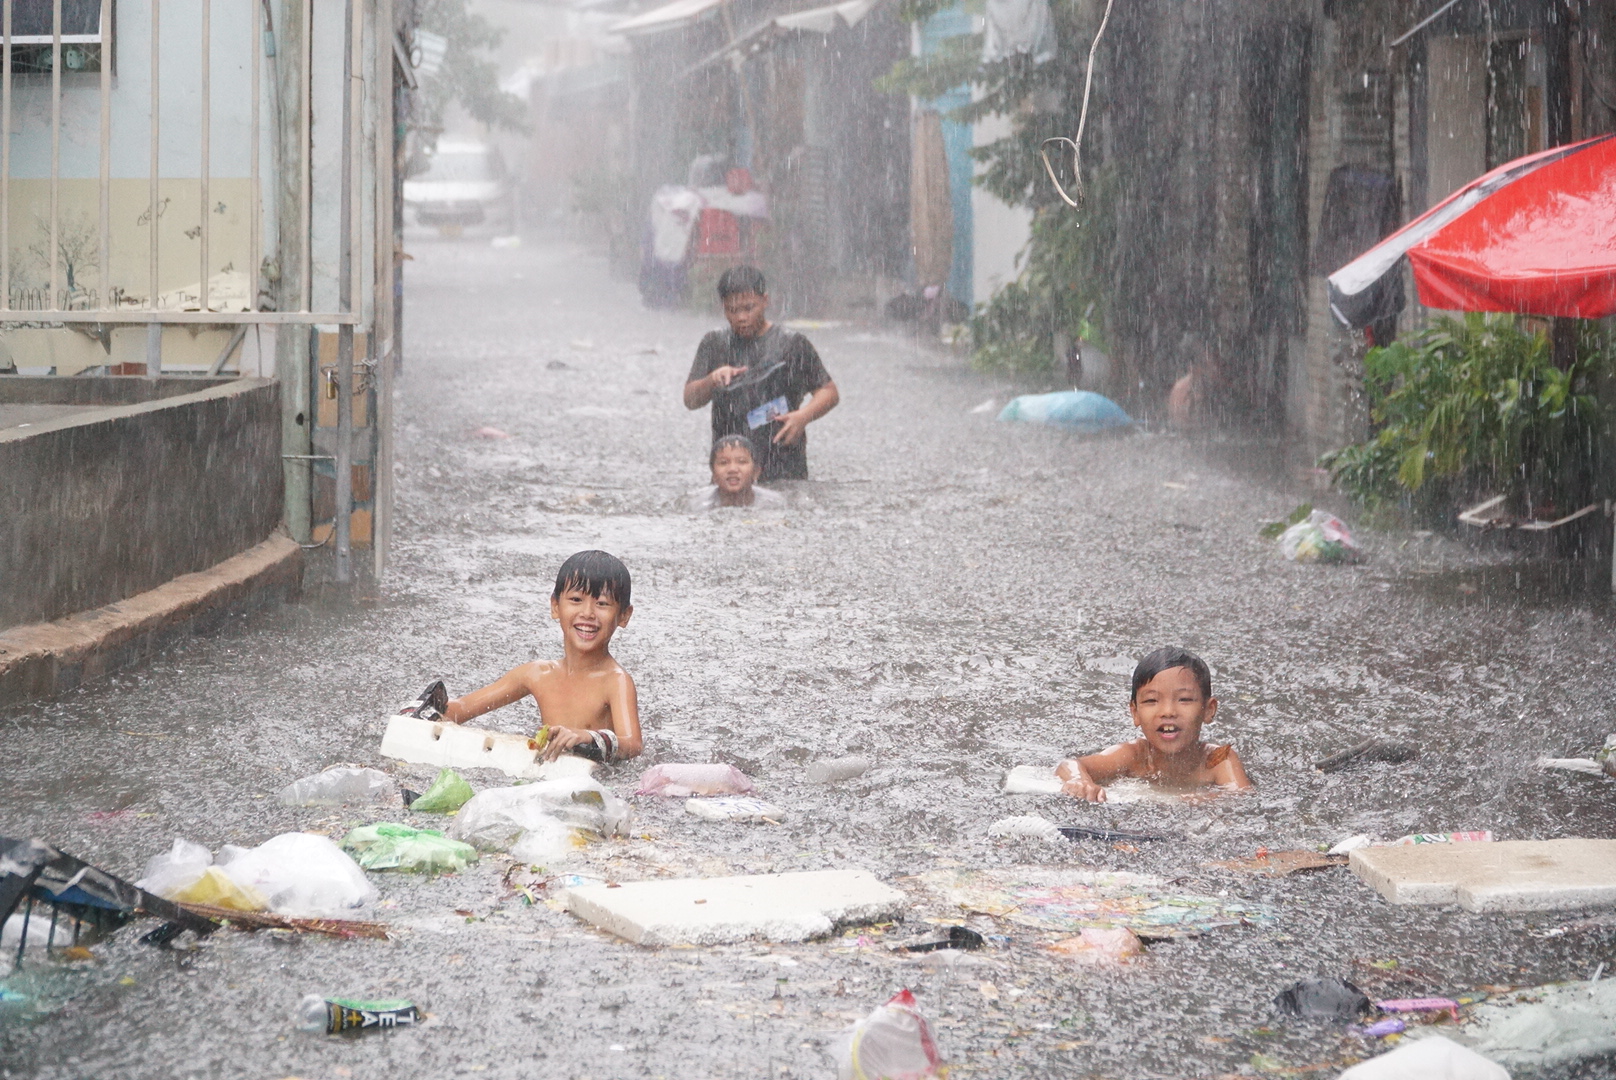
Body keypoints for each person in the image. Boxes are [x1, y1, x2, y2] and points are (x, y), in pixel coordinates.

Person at [443, 550, 642, 762]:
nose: (588, 613)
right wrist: (425, 710)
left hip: (594, 782)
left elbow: (632, 744)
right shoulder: (537, 674)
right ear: (555, 606)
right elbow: (460, 710)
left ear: (624, 616)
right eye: (576, 599)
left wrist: (587, 737)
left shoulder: (615, 681)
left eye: (602, 603)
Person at [683, 265, 839, 482]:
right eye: (732, 310)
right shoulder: (715, 343)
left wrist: (803, 416)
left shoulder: (791, 344)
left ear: (765, 300)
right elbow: (690, 399)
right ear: (723, 307)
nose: (741, 318)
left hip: (783, 465)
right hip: (731, 473)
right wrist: (712, 380)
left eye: (749, 308)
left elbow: (828, 392)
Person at [1057, 647, 1252, 802]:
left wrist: (1209, 800)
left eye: (1184, 699)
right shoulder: (1134, 756)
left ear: (1208, 709)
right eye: (1151, 701)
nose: (1168, 712)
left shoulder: (1218, 759)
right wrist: (1079, 780)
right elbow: (1070, 764)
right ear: (1135, 713)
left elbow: (1241, 796)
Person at [689, 434, 787, 512]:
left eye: (741, 462)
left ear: (756, 472)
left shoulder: (774, 504)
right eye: (723, 463)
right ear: (713, 474)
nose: (732, 469)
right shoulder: (698, 506)